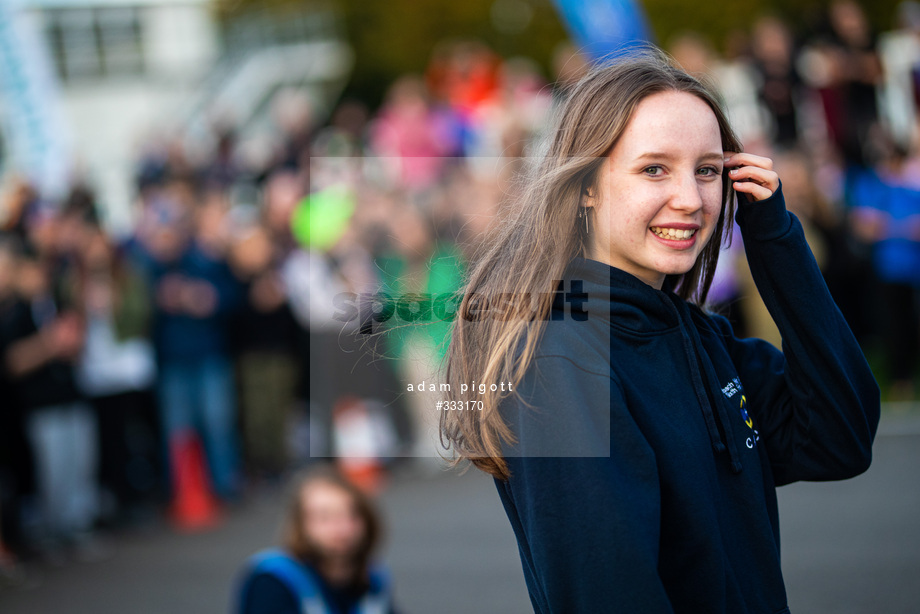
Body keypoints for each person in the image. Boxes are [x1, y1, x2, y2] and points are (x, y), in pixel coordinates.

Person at [439, 47, 880, 613]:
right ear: (588, 185)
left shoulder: (702, 340)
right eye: (654, 169)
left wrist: (775, 240)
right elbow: (608, 593)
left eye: (708, 171)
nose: (691, 199)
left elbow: (839, 441)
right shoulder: (559, 360)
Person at [235, 465, 397, 614]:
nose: (341, 528)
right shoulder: (274, 580)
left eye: (351, 515)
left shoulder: (373, 578)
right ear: (300, 524)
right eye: (324, 518)